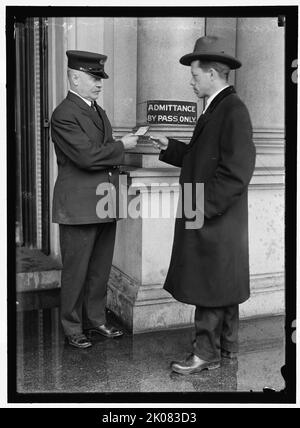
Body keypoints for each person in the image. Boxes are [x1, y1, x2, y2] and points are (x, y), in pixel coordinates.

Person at [151, 36, 256, 374]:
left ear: (211, 73)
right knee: (222, 284)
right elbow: (203, 159)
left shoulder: (232, 110)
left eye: (195, 75)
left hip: (214, 217)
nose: (191, 81)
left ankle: (205, 354)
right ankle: (227, 351)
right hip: (218, 218)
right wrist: (170, 146)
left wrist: (202, 208)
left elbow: (236, 173)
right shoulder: (219, 107)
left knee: (210, 286)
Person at [51, 50, 138, 349]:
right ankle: (73, 327)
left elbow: (100, 149)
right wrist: (121, 145)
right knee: (76, 271)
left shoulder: (97, 111)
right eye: (93, 77)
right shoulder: (63, 114)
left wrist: (119, 145)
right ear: (74, 77)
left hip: (105, 202)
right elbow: (87, 157)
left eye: (100, 77)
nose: (99, 83)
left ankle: (96, 320)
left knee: (100, 268)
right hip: (78, 206)